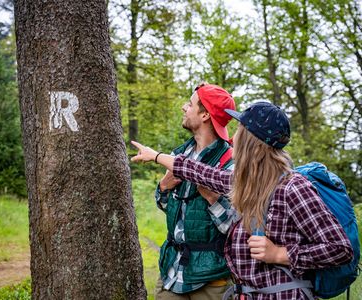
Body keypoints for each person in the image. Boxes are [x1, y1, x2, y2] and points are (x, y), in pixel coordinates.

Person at [131, 102, 353, 299]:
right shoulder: (248, 183)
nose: (232, 137)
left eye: (238, 130)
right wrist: (157, 156)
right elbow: (202, 173)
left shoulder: (292, 187)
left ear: (250, 141)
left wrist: (280, 253)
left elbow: (339, 249)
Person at [151, 83, 238, 299]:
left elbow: (235, 230)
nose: (183, 107)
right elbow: (171, 209)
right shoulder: (178, 155)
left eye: (190, 104)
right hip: (171, 271)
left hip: (212, 279)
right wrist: (163, 188)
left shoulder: (231, 163)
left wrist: (213, 200)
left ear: (205, 115)